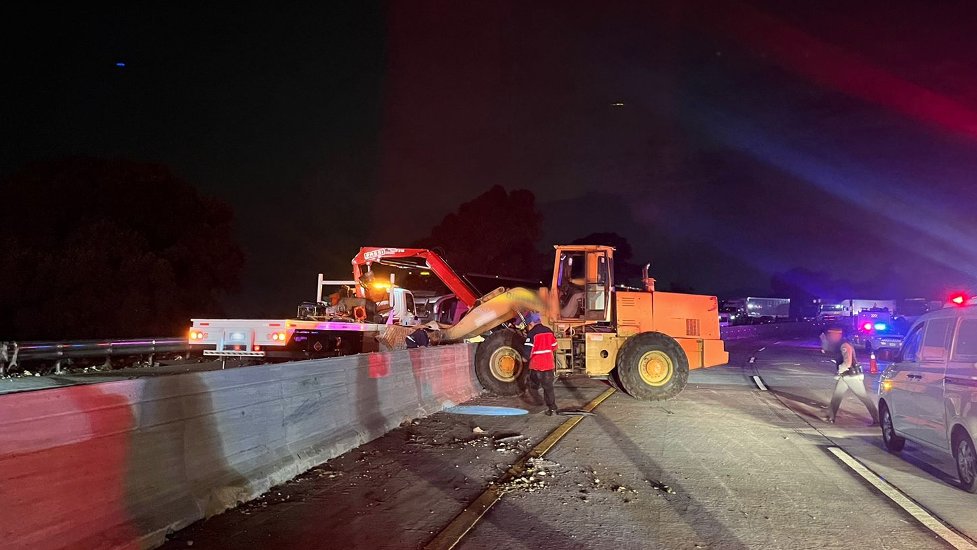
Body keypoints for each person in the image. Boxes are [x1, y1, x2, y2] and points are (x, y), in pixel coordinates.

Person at [821, 326, 879, 425]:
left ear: (838, 335)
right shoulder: (839, 344)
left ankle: (877, 419)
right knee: (837, 396)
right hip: (846, 375)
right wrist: (823, 340)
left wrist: (839, 371)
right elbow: (826, 349)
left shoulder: (844, 345)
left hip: (851, 376)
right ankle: (831, 417)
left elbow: (847, 363)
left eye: (832, 335)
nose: (831, 337)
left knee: (863, 397)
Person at [520, 311, 559, 415]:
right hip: (549, 366)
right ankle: (552, 407)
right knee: (548, 388)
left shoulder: (532, 334)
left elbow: (527, 352)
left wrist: (523, 359)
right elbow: (555, 346)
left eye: (528, 325)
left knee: (532, 384)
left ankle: (535, 403)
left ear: (531, 323)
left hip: (537, 367)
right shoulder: (549, 331)